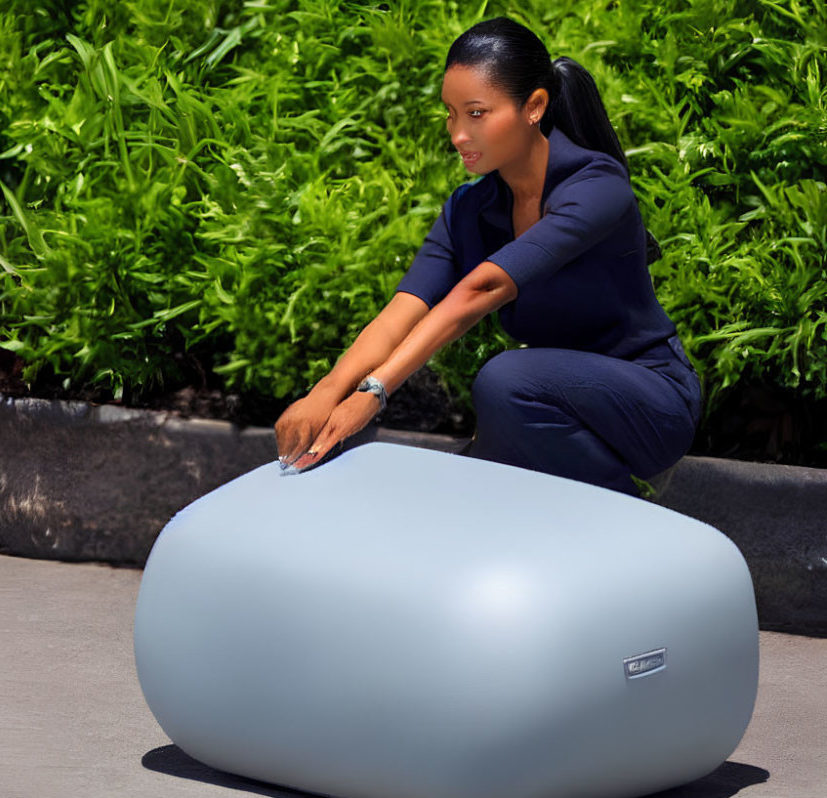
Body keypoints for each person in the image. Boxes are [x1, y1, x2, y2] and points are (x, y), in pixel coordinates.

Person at [274, 17, 701, 496]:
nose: (458, 134)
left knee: (503, 379)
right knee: (466, 481)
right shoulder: (470, 210)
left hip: (653, 403)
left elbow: (483, 288)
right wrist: (326, 392)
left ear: (534, 106)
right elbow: (401, 314)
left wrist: (374, 392)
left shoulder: (596, 186)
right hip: (556, 408)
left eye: (476, 113)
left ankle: (626, 515)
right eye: (451, 114)